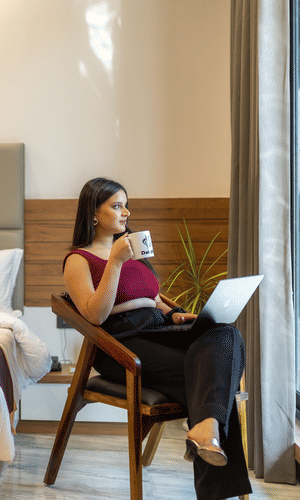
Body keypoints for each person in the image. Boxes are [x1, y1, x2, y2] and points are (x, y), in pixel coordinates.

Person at [62, 177, 252, 500]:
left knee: (226, 334)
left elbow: (152, 295)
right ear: (93, 214)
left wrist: (175, 311)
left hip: (158, 327)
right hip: (121, 342)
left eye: (126, 205)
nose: (126, 212)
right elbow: (95, 314)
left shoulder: (131, 250)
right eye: (116, 206)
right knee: (214, 377)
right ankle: (212, 461)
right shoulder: (79, 260)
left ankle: (205, 428)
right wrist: (115, 261)